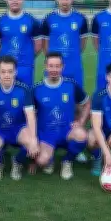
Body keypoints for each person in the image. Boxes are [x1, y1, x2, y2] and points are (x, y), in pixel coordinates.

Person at [31, 52, 90, 180]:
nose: (54, 69)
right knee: (42, 161)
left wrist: (81, 121)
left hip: (67, 131)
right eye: (51, 66)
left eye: (57, 66)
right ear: (45, 66)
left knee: (82, 135)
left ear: (62, 67)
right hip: (46, 134)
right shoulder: (37, 89)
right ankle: (49, 159)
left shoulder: (71, 85)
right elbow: (31, 115)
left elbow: (87, 103)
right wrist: (33, 137)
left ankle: (67, 161)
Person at [0, 56, 39, 181]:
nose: (6, 75)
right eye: (3, 71)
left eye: (10, 71)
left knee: (32, 143)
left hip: (18, 128)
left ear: (15, 72)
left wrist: (34, 138)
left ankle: (17, 161)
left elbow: (30, 115)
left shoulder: (24, 89)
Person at [39, 0, 90, 88]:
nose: (64, 1)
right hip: (54, 69)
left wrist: (72, 56)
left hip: (74, 68)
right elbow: (45, 45)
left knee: (77, 100)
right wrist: (52, 60)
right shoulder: (48, 19)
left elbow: (82, 45)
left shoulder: (81, 19)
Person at [0, 0, 41, 87]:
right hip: (6, 69)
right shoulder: (0, 22)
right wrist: (6, 60)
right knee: (6, 96)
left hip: (25, 67)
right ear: (7, 0)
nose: (14, 1)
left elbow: (38, 46)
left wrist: (27, 57)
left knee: (26, 97)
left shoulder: (32, 21)